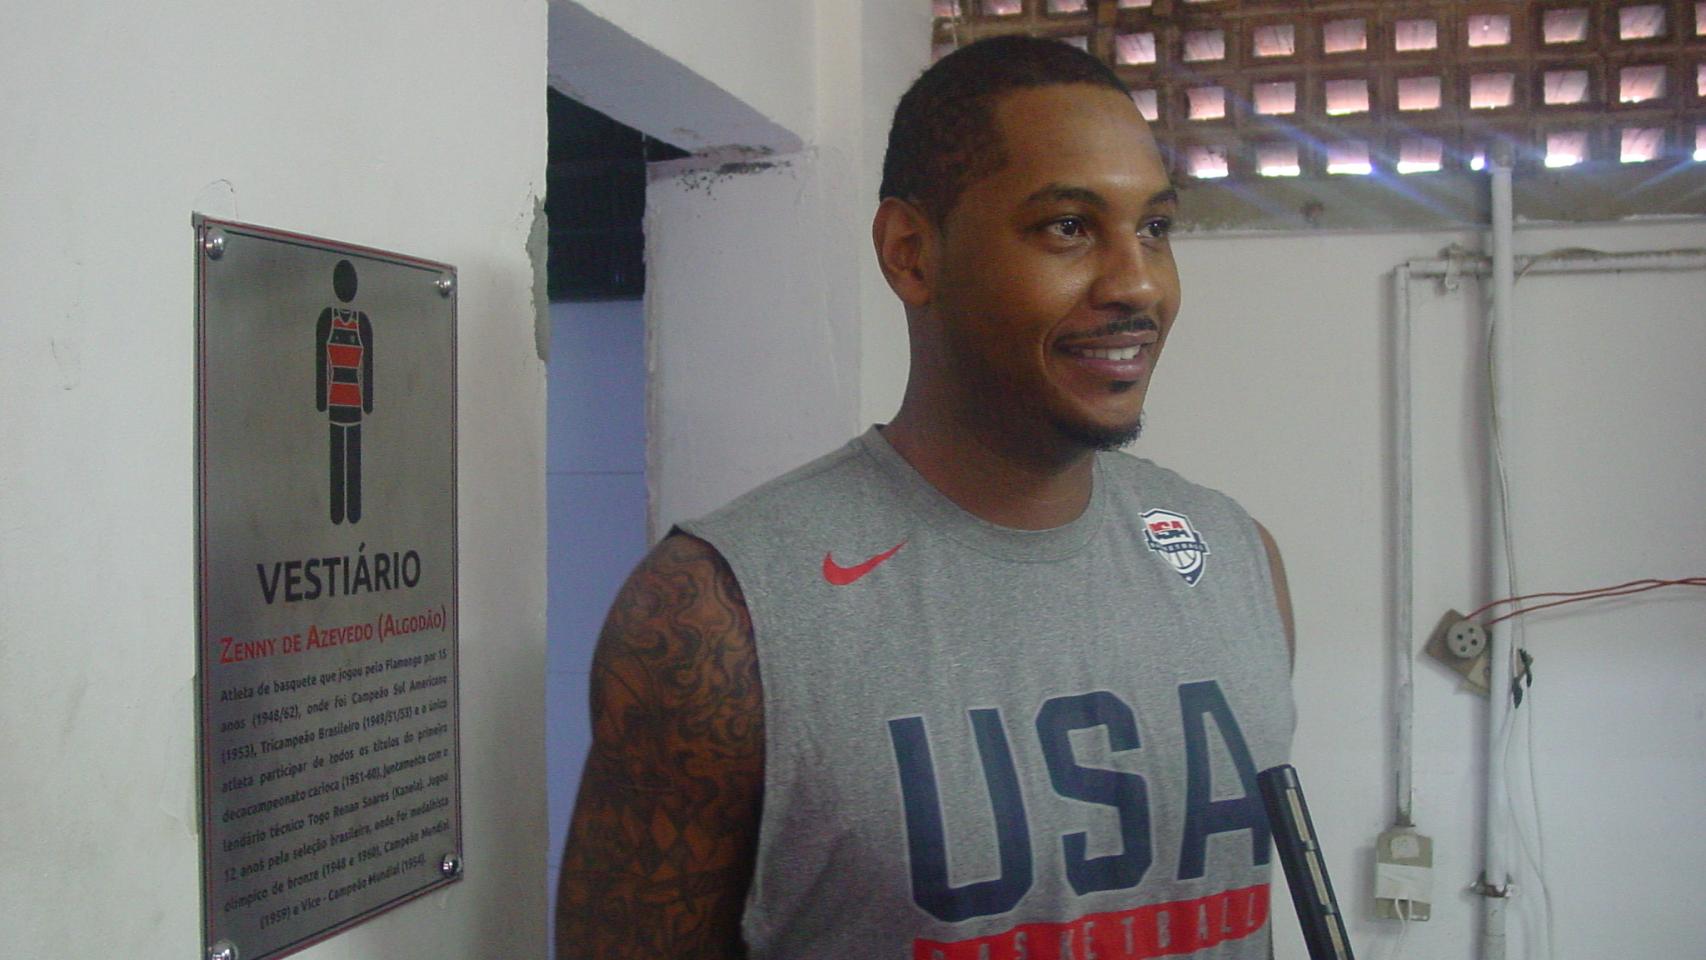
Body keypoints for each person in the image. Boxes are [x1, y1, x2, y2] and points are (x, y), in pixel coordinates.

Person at [557, 35, 1296, 960]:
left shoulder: (1235, 562)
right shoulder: (718, 615)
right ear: (912, 253)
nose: (1138, 282)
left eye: (1154, 227)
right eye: (1068, 226)